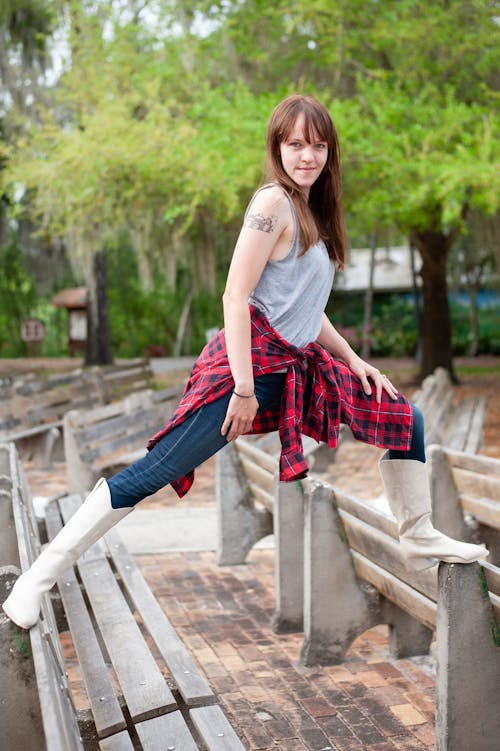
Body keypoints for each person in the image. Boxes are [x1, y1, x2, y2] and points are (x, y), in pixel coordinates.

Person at [3, 94, 488, 631]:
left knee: (404, 419)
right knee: (160, 468)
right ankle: (37, 579)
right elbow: (236, 296)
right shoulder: (272, 203)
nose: (307, 155)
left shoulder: (313, 211)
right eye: (296, 143)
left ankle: (417, 533)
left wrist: (355, 361)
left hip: (297, 365)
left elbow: (307, 307)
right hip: (248, 365)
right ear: (278, 147)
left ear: (330, 152)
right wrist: (242, 388)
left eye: (318, 145)